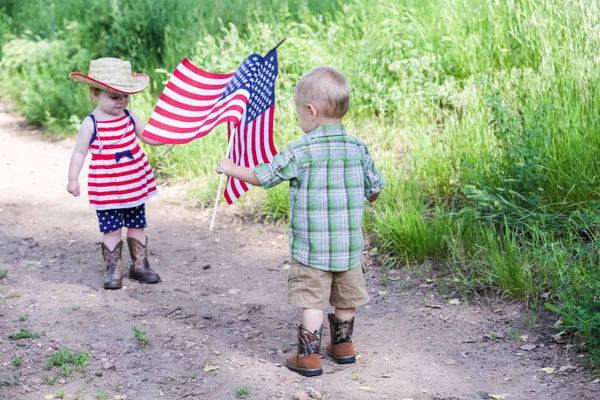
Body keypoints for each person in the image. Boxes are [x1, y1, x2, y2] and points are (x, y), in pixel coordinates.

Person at [216, 66, 386, 376]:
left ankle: (309, 357)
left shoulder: (300, 150)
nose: (299, 119)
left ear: (311, 111)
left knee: (313, 302)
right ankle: (343, 346)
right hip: (348, 248)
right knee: (346, 297)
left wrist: (231, 168)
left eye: (299, 113)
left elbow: (262, 176)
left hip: (311, 250)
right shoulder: (358, 149)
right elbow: (374, 190)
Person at [66, 57, 163, 290]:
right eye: (114, 96)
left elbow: (147, 136)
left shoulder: (130, 118)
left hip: (134, 185)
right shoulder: (91, 124)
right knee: (111, 229)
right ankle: (113, 268)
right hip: (107, 188)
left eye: (125, 96)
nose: (121, 102)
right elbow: (79, 153)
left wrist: (167, 137)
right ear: (95, 94)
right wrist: (72, 178)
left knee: (137, 224)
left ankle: (140, 265)